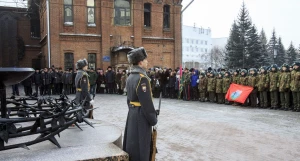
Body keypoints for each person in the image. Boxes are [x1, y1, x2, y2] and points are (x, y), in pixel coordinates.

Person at [123, 47, 158, 161]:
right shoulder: (142, 79)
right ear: (140, 62)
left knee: (132, 143)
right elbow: (147, 103)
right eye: (145, 60)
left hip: (132, 114)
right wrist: (153, 120)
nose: (147, 62)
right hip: (141, 116)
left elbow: (128, 100)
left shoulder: (130, 77)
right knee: (142, 145)